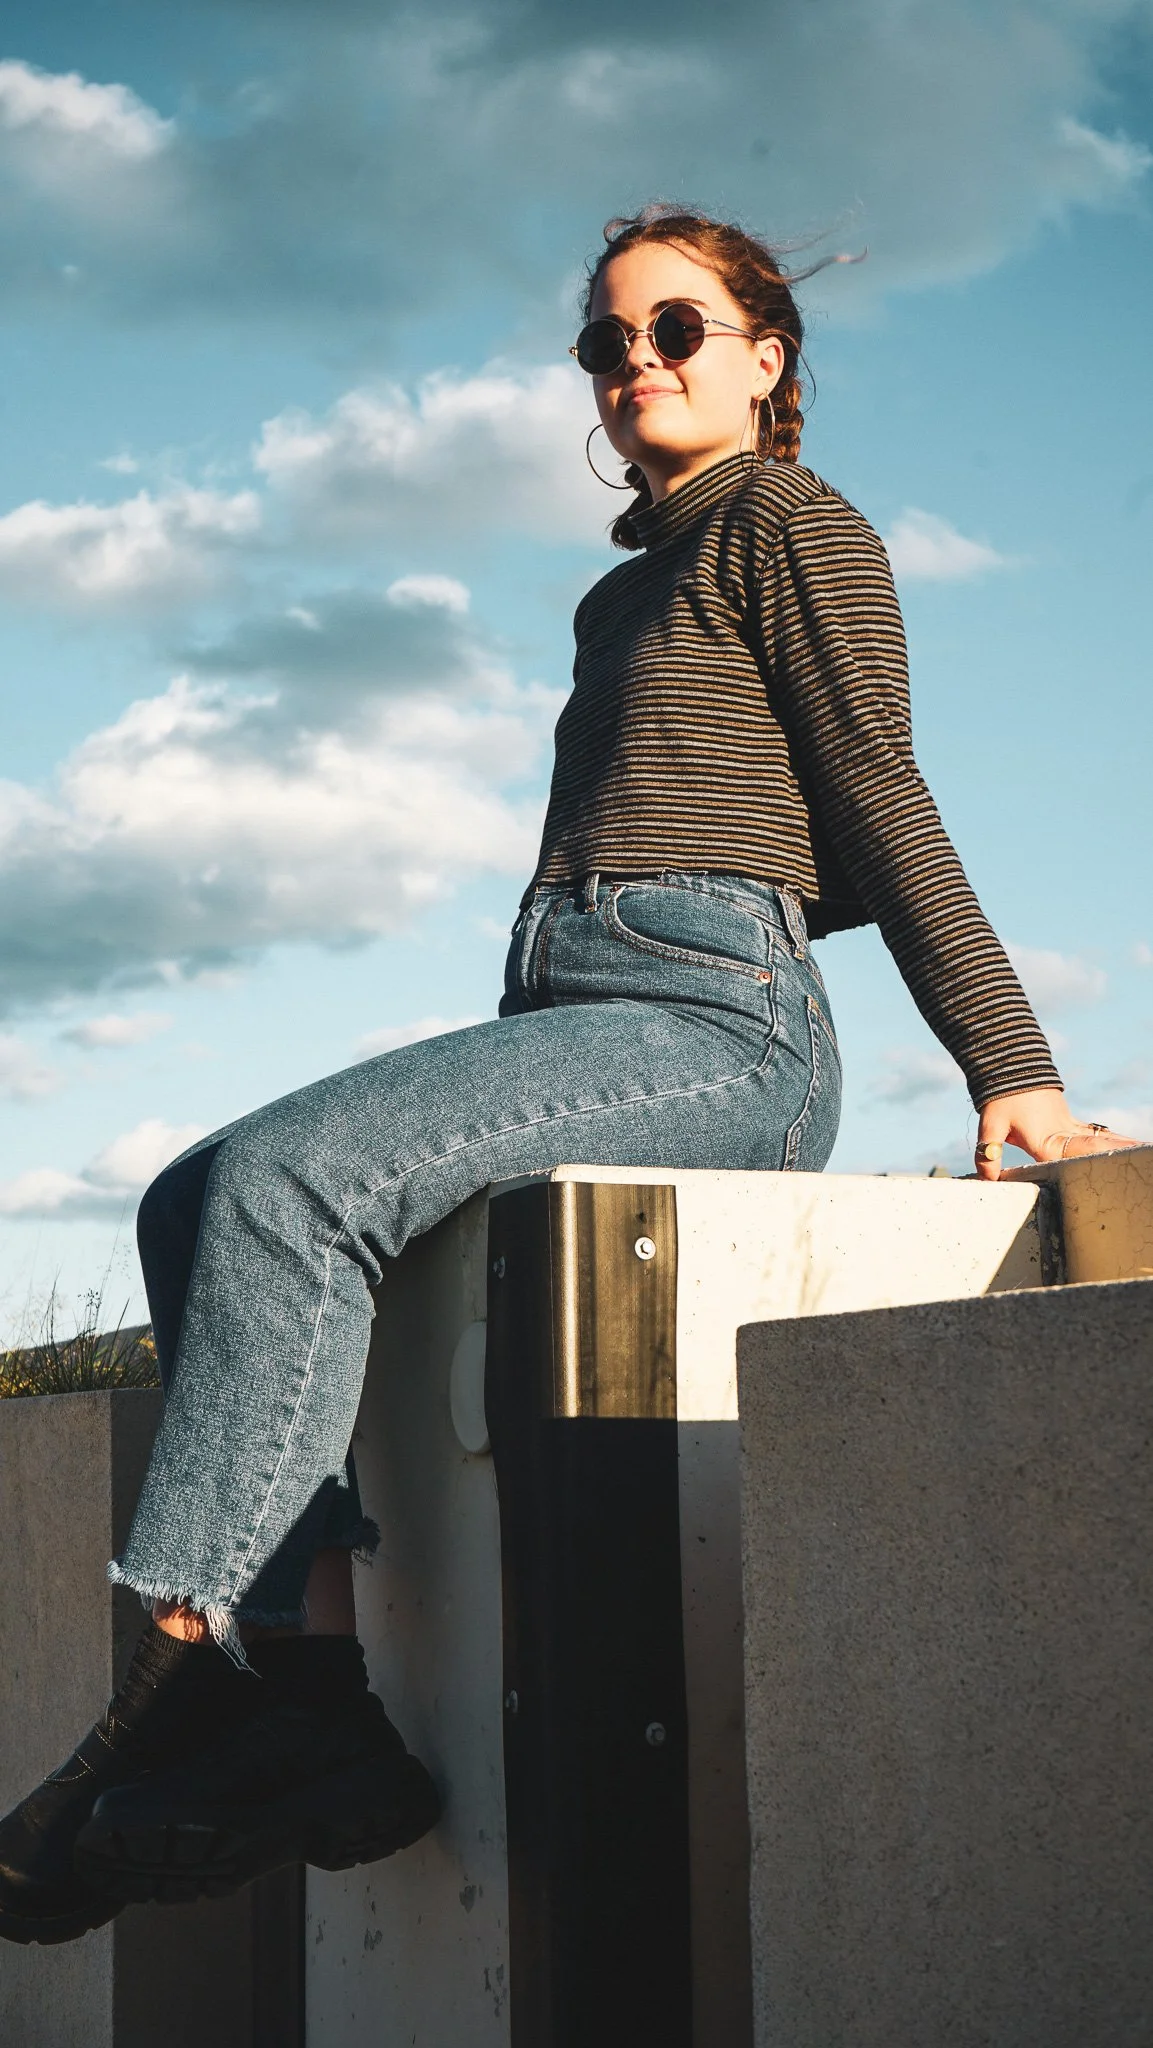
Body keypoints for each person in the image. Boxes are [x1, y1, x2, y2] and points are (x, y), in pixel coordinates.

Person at [0, 203, 1136, 1948]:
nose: (633, 367)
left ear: (767, 355)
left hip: (718, 1018)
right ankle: (314, 1690)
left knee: (285, 1184)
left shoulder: (788, 517)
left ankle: (183, 1682)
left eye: (674, 329)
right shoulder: (627, 589)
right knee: (189, 1190)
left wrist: (1014, 1068)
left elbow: (881, 791)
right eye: (604, 346)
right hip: (578, 1004)